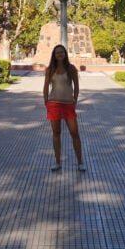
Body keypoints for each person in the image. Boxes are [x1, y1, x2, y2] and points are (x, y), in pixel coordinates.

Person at [43, 44, 85, 172]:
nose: (60, 54)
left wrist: (75, 101)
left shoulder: (71, 68)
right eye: (57, 53)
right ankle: (57, 162)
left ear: (65, 54)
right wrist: (46, 102)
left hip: (68, 104)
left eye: (62, 52)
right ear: (54, 55)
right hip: (54, 103)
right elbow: (45, 88)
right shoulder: (50, 69)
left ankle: (80, 162)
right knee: (56, 133)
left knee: (74, 133)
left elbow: (76, 86)